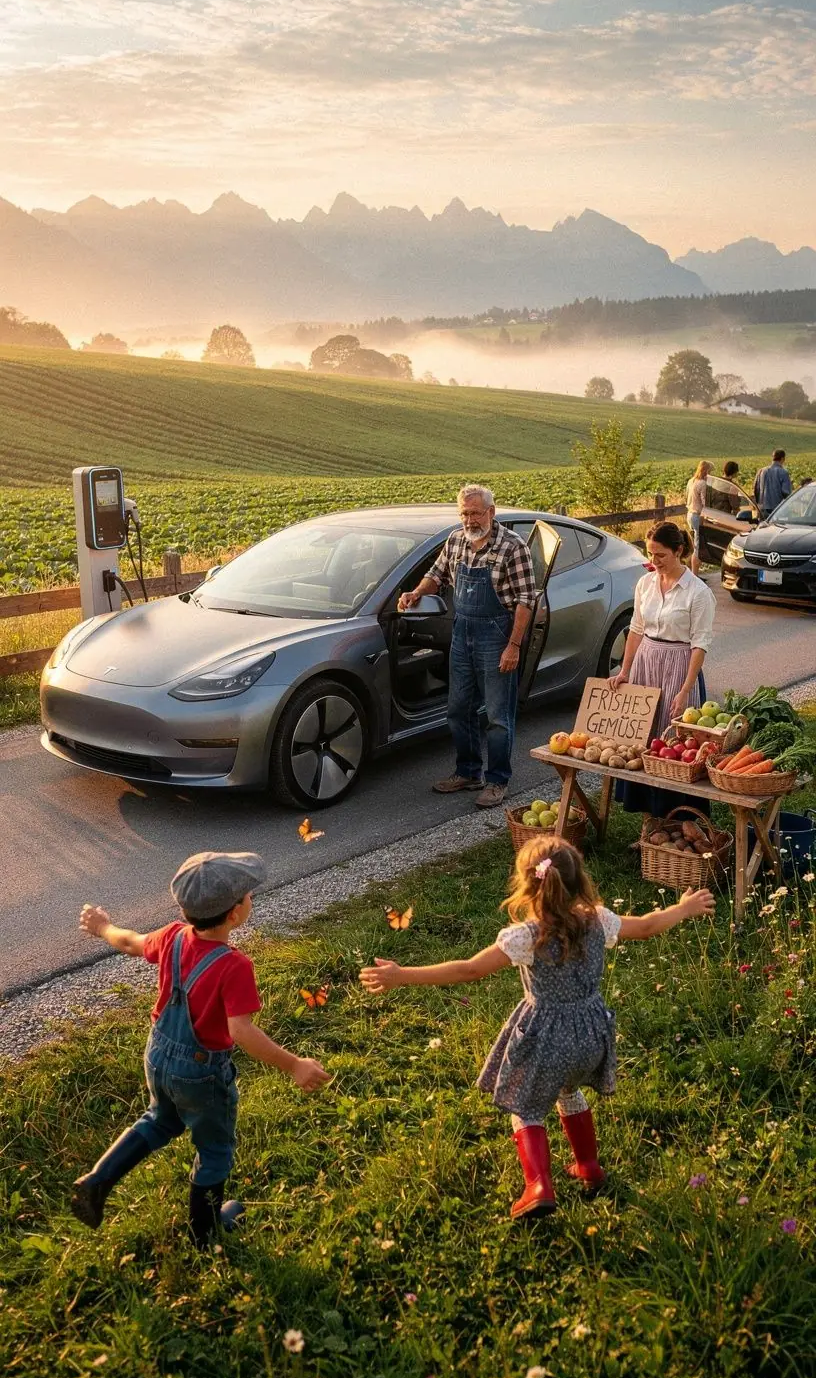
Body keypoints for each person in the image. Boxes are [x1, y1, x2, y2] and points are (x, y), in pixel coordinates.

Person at [360, 834, 714, 1218]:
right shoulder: (599, 920)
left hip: (546, 1040)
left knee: (525, 1108)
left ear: (527, 886)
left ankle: (538, 1186)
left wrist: (402, 975)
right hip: (590, 1036)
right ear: (579, 881)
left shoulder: (526, 937)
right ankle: (589, 1167)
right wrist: (684, 907)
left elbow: (469, 970)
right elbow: (647, 926)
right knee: (568, 1090)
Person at [71, 851, 330, 1247]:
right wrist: (293, 1064)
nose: (249, 900)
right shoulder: (233, 965)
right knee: (214, 1149)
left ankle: (98, 1180)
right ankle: (205, 1234)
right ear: (233, 914)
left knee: (160, 1118)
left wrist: (103, 927)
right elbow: (240, 1031)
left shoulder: (172, 936)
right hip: (201, 1072)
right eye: (247, 896)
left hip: (158, 1054)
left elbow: (129, 942)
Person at [398, 483, 536, 809]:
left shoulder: (513, 547)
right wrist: (418, 593)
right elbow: (437, 574)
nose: (469, 520)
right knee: (458, 710)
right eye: (464, 513)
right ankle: (468, 772)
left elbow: (526, 602)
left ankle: (497, 780)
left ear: (491, 511)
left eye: (475, 513)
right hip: (462, 634)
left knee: (498, 716)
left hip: (497, 636)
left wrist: (513, 646)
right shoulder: (457, 540)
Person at [610, 521, 716, 836]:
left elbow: (700, 645)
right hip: (646, 661)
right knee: (643, 741)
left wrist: (685, 690)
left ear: (679, 551)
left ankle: (676, 827)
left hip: (679, 665)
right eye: (651, 554)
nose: (654, 561)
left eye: (661, 555)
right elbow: (636, 629)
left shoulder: (699, 592)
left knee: (672, 742)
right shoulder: (645, 584)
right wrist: (626, 670)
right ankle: (649, 827)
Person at [685, 460, 713, 577]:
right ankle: (695, 576)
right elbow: (704, 502)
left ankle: (692, 573)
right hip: (697, 515)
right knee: (698, 547)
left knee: (694, 545)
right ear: (706, 470)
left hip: (690, 514)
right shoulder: (702, 483)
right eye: (710, 471)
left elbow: (686, 496)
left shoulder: (691, 481)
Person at [753, 449, 792, 520]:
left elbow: (756, 490)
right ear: (783, 459)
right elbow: (786, 493)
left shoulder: (761, 471)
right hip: (777, 510)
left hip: (762, 509)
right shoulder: (783, 472)